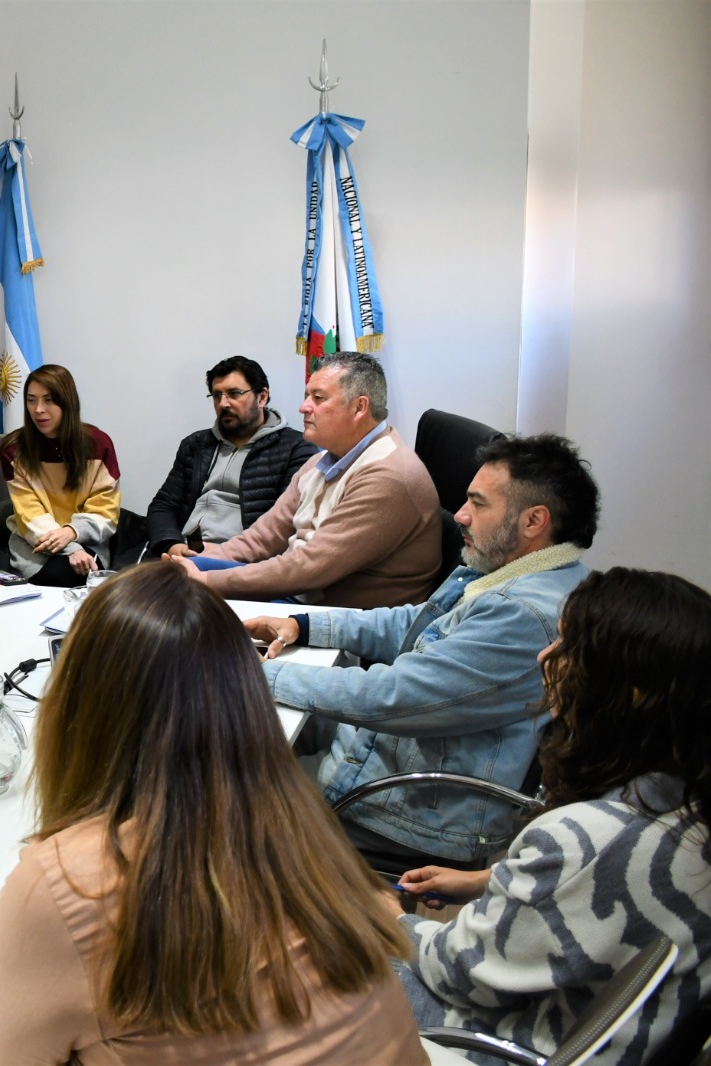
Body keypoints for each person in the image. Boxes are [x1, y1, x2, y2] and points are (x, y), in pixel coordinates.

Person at [0, 566, 428, 1063]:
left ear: (79, 707)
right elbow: (215, 971)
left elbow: (14, 1054)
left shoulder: (68, 880)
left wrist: (32, 949)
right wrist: (9, 962)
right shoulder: (296, 824)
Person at [387, 568, 711, 1066]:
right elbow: (609, 883)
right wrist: (489, 881)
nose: (546, 657)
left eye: (568, 646)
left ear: (628, 693)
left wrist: (384, 919)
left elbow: (456, 973)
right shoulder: (687, 803)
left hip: (501, 1042)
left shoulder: (587, 837)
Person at [244, 434, 600, 864]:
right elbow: (412, 624)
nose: (462, 516)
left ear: (534, 521)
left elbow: (395, 695)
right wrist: (304, 624)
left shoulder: (522, 613)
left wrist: (253, 672)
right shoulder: (517, 574)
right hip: (386, 765)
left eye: (479, 504)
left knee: (226, 802)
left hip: (398, 812)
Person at [173, 351, 439, 608]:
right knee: (169, 575)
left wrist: (208, 579)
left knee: (181, 599)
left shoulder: (388, 476)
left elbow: (309, 568)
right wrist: (203, 558)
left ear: (359, 407)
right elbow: (265, 536)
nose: (303, 407)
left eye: (318, 398)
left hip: (336, 613)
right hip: (301, 590)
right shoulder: (322, 459)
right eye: (306, 396)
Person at [145, 356, 318, 557]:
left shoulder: (296, 447)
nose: (223, 403)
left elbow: (288, 522)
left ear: (262, 397)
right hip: (184, 552)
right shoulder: (196, 444)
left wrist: (224, 553)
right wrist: (173, 545)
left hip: (243, 559)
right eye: (217, 395)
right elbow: (163, 505)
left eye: (234, 394)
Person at [0, 364, 120, 587]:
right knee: (64, 576)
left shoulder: (98, 444)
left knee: (84, 576)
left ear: (68, 402)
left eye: (49, 400)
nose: (38, 409)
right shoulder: (14, 449)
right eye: (31, 400)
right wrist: (69, 547)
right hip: (35, 543)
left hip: (88, 540)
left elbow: (105, 509)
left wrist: (72, 532)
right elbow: (29, 513)